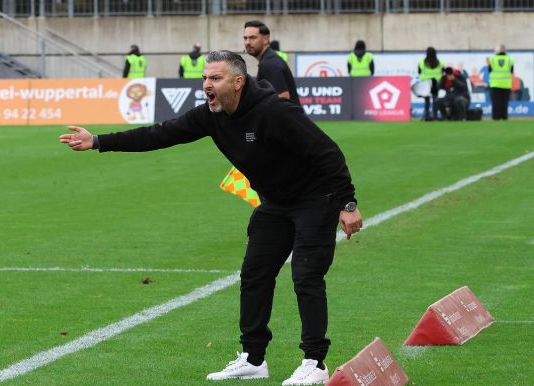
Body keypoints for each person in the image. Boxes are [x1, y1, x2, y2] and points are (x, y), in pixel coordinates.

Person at [59, 50, 362, 386]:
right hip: (275, 202)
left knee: (305, 277)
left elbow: (328, 152)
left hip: (315, 200)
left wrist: (347, 205)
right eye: (205, 78)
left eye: (215, 78)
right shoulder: (210, 115)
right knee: (254, 275)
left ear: (237, 81)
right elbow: (160, 134)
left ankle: (314, 362)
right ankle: (253, 359)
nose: (207, 84)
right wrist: (99, 141)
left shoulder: (275, 112)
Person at [243, 20, 299, 105]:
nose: (247, 42)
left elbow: (283, 99)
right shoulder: (268, 60)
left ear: (266, 39)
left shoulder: (270, 64)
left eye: (252, 38)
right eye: (245, 38)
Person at [488, 44, 514, 120]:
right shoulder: (510, 59)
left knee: (495, 103)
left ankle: (496, 117)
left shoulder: (492, 59)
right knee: (504, 103)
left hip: (495, 85)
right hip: (506, 84)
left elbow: (489, 71)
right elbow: (511, 71)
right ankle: (504, 117)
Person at [418, 47, 444, 121]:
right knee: (435, 100)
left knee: (427, 101)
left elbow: (419, 72)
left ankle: (427, 116)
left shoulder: (422, 63)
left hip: (426, 83)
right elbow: (443, 72)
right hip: (436, 83)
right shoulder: (440, 63)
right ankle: (435, 116)